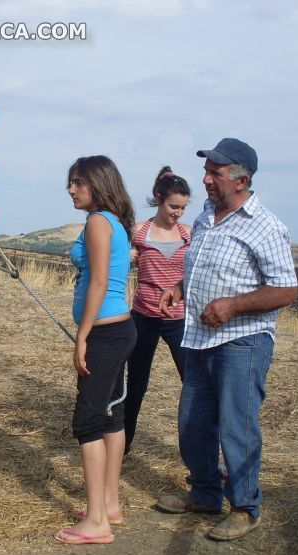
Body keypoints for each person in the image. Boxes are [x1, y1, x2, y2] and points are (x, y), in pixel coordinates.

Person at [156, 138, 298, 541]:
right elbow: (203, 266)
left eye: (215, 173)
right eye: (207, 170)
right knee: (193, 423)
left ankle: (244, 507)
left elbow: (287, 290)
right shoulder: (204, 217)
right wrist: (181, 288)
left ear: (242, 180)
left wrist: (233, 306)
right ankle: (204, 494)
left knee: (238, 426)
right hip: (198, 338)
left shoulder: (266, 226)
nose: (206, 179)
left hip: (243, 342)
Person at [54, 155, 137, 545]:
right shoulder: (113, 222)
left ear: (98, 183)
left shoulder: (98, 222)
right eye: (70, 182)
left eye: (77, 182)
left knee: (87, 422)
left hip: (105, 334)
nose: (71, 189)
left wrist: (82, 336)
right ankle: (109, 504)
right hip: (118, 331)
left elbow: (100, 283)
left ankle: (98, 523)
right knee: (111, 417)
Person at [123, 167, 191, 455]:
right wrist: (128, 256)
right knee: (136, 386)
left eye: (183, 208)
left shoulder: (189, 234)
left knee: (194, 384)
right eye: (174, 206)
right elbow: (117, 261)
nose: (178, 213)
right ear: (159, 199)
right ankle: (122, 448)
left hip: (180, 320)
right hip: (144, 318)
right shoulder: (139, 231)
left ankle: (201, 453)